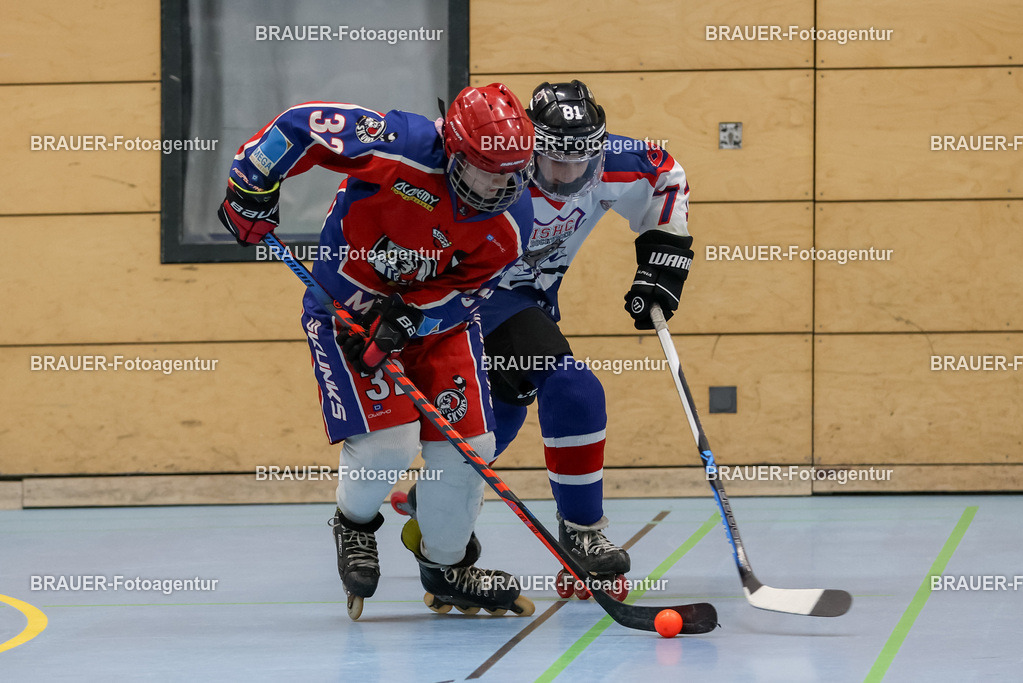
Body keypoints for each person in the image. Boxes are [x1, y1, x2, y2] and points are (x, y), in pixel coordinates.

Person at [217, 83, 537, 619]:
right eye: (484, 169)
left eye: (511, 173)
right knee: (390, 445)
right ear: (451, 149)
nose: (497, 186)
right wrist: (252, 180)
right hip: (346, 317)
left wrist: (411, 317)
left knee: (471, 445)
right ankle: (355, 523)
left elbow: (469, 292)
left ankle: (447, 566)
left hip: (435, 329)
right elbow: (300, 125)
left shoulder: (511, 221)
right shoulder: (400, 144)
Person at [477, 80, 694, 596]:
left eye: (581, 163)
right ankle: (582, 531)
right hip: (463, 295)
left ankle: (435, 505)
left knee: (498, 417)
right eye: (554, 163)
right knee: (574, 387)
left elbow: (666, 173)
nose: (568, 176)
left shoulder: (616, 160)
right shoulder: (498, 167)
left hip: (527, 303)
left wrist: (662, 264)